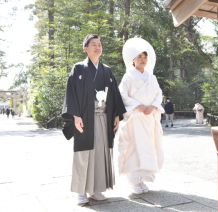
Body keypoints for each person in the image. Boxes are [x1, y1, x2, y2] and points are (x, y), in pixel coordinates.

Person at [61, 34, 126, 204]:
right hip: (84, 118)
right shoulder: (79, 68)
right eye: (93, 44)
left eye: (99, 44)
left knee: (101, 152)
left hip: (104, 117)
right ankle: (81, 191)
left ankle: (97, 189)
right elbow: (71, 93)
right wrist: (75, 116)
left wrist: (117, 114)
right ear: (85, 48)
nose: (98, 47)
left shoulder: (107, 70)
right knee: (83, 154)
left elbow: (114, 94)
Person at [118, 38, 165, 194]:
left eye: (145, 57)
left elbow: (159, 94)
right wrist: (138, 106)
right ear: (133, 59)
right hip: (135, 117)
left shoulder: (152, 77)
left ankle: (143, 179)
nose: (143, 60)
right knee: (133, 147)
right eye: (139, 57)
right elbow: (122, 95)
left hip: (148, 117)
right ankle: (134, 182)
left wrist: (152, 106)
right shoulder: (128, 77)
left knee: (148, 146)